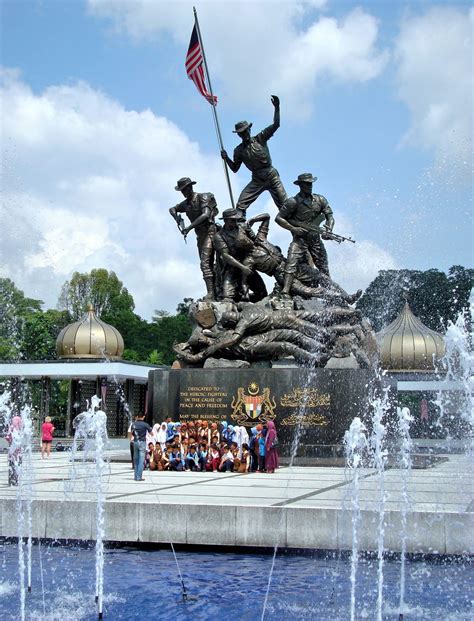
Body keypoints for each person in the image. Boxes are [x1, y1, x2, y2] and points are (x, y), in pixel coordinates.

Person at [221, 95, 287, 215]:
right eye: (241, 132)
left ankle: (298, 231)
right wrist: (226, 159)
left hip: (271, 176)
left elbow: (276, 125)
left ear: (249, 130)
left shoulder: (260, 138)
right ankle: (239, 228)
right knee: (240, 205)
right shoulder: (238, 151)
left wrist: (277, 107)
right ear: (238, 135)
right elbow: (235, 169)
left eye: (246, 130)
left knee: (285, 207)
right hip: (257, 179)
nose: (245, 133)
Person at [276, 173, 335, 292]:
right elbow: (279, 218)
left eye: (311, 183)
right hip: (300, 240)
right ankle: (285, 291)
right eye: (307, 184)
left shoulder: (320, 200)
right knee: (291, 263)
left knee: (323, 268)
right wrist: (293, 229)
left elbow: (330, 216)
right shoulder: (293, 202)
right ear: (301, 185)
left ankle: (331, 296)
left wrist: (329, 229)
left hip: (315, 240)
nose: (309, 186)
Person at [169, 177, 219, 299]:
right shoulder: (186, 204)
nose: (184, 193)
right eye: (182, 191)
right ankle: (213, 291)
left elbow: (206, 215)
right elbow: (172, 209)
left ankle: (213, 292)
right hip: (200, 235)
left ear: (191, 187)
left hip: (211, 232)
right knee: (205, 264)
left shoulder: (204, 197)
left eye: (185, 189)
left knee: (206, 262)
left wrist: (189, 227)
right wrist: (176, 217)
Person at [129, 413, 152, 481]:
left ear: (137, 416)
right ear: (143, 417)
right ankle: (139, 477)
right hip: (142, 442)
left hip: (135, 442)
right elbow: (151, 433)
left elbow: (131, 433)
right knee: (141, 460)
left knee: (136, 460)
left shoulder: (133, 424)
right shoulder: (145, 424)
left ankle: (136, 476)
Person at [6, 415, 22, 486]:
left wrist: (10, 441)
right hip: (18, 451)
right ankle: (16, 480)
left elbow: (7, 437)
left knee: (12, 465)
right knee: (17, 465)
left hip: (12, 450)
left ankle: (11, 480)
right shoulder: (20, 429)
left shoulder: (11, 428)